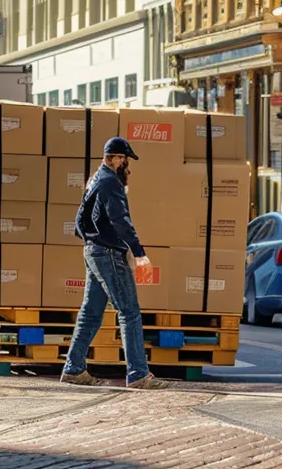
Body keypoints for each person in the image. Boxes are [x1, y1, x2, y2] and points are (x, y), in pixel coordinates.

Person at [60, 138, 166, 390]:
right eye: (124, 160)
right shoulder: (111, 183)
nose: (126, 166)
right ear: (117, 158)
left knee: (91, 312)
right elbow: (121, 221)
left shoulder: (95, 179)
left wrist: (89, 241)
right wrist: (140, 254)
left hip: (93, 251)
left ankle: (74, 369)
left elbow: (79, 219)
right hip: (108, 253)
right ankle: (139, 374)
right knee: (129, 312)